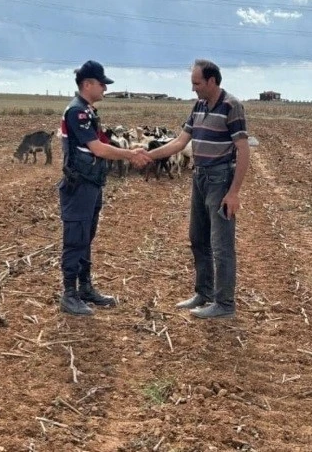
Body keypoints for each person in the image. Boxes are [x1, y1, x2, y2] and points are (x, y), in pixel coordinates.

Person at [147, 59, 250, 319]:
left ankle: (225, 304)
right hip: (200, 178)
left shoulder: (232, 106)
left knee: (221, 244)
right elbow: (181, 141)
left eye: (197, 83)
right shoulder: (199, 105)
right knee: (198, 238)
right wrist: (149, 155)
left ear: (212, 81)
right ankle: (204, 294)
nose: (193, 88)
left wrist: (234, 192)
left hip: (220, 180)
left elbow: (243, 150)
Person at [58, 60, 152, 316]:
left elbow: (100, 144)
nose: (105, 90)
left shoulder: (87, 111)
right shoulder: (77, 112)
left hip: (91, 183)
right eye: (102, 84)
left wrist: (130, 151)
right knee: (75, 237)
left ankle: (85, 288)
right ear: (87, 84)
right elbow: (98, 149)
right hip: (79, 186)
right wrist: (130, 154)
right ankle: (69, 294)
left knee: (86, 236)